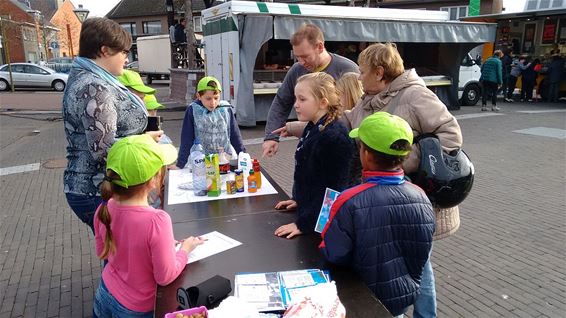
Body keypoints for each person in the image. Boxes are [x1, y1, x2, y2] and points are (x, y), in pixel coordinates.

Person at [344, 42, 463, 318]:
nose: (359, 77)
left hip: (414, 197)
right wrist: (299, 126)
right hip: (386, 195)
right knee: (400, 262)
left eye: (362, 71)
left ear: (379, 71)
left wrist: (402, 157)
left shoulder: (414, 95)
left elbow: (451, 134)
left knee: (420, 265)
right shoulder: (370, 97)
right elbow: (347, 122)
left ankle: (425, 315)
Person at [320, 112, 435, 317]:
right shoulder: (421, 196)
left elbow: (335, 253)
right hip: (403, 297)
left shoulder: (349, 200)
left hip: (364, 297)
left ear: (366, 155)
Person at [63, 18, 161, 234]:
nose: (126, 59)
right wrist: (146, 141)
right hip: (97, 190)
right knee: (125, 258)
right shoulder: (93, 86)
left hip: (93, 188)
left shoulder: (87, 77)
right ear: (105, 50)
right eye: (124, 53)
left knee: (118, 255)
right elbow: (105, 151)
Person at [93, 134, 203, 317]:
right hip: (136, 309)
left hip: (105, 294)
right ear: (153, 179)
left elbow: (102, 251)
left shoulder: (104, 208)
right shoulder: (157, 221)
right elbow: (165, 276)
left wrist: (160, 246)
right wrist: (184, 249)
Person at [273, 72, 354, 239]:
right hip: (310, 214)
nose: (296, 105)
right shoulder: (313, 127)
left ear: (323, 102)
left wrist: (305, 224)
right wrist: (300, 200)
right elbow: (311, 177)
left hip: (322, 229)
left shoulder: (334, 136)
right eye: (296, 99)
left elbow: (333, 191)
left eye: (302, 99)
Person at [262, 24, 358, 158]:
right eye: (297, 57)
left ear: (320, 47)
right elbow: (281, 102)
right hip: (311, 144)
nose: (301, 62)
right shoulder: (296, 69)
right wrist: (271, 137)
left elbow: (358, 112)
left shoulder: (348, 69)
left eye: (305, 56)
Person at [176, 76, 245, 168]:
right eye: (208, 99)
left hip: (224, 159)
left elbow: (235, 135)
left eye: (216, 98)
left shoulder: (226, 109)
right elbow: (186, 138)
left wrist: (244, 156)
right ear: (199, 96)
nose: (213, 103)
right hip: (201, 161)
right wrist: (180, 164)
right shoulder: (193, 110)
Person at [278, 71, 364, 137]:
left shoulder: (336, 132)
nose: (335, 98)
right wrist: (291, 128)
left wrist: (291, 128)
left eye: (339, 94)